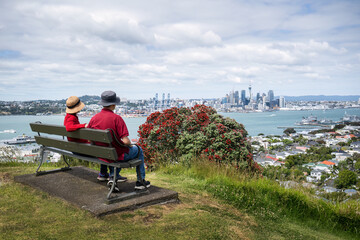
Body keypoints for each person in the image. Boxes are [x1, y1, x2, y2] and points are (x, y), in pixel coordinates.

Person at [87, 91, 150, 190]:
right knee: (139, 150)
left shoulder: (94, 118)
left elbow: (90, 139)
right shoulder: (117, 118)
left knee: (112, 150)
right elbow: (126, 141)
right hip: (114, 155)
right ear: (113, 104)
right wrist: (129, 145)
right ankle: (140, 182)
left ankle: (109, 175)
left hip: (101, 154)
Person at [64, 96, 111, 182]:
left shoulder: (68, 116)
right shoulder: (71, 117)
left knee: (103, 149)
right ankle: (104, 174)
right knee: (105, 151)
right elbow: (69, 127)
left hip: (74, 147)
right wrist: (83, 125)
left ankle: (103, 173)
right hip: (80, 148)